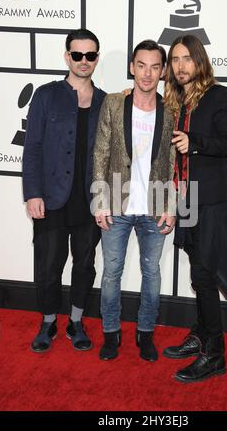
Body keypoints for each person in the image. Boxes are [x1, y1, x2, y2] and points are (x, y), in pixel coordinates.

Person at [22, 28, 106, 353]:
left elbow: (112, 154)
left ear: (96, 58)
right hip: (52, 198)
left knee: (84, 265)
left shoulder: (105, 101)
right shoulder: (46, 95)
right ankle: (47, 322)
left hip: (90, 200)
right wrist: (33, 193)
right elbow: (32, 149)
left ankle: (76, 321)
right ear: (67, 56)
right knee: (48, 265)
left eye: (90, 55)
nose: (84, 61)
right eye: (77, 54)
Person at [162, 35, 227, 382]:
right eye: (175, 59)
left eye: (186, 59)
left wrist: (194, 144)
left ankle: (215, 353)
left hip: (210, 201)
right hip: (187, 199)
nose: (180, 66)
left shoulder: (217, 95)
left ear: (199, 61)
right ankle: (200, 332)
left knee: (205, 276)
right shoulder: (175, 99)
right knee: (198, 273)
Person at [92, 40, 176, 362]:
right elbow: (100, 153)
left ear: (163, 71)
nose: (147, 73)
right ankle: (111, 333)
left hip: (155, 207)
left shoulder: (172, 109)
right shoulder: (114, 103)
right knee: (111, 272)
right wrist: (100, 201)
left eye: (155, 67)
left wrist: (171, 206)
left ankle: (145, 334)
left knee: (151, 273)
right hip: (115, 204)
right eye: (141, 65)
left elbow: (173, 162)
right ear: (132, 67)